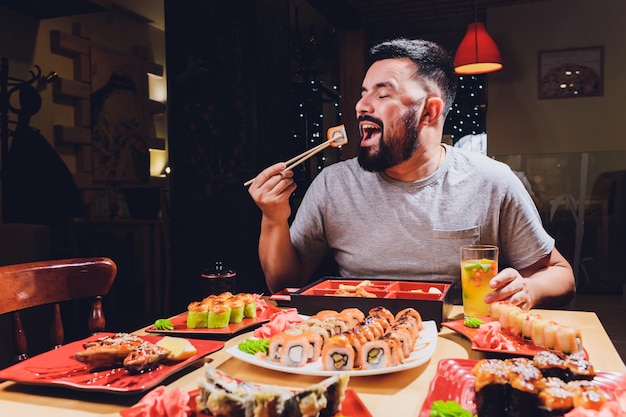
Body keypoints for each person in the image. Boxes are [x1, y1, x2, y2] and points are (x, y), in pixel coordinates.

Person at [248, 38, 575, 310]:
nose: (361, 105)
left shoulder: (492, 182)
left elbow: (560, 274)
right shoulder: (334, 184)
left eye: (382, 94)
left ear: (429, 111)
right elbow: (285, 286)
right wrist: (274, 219)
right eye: (363, 93)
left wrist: (529, 290)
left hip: (456, 338)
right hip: (356, 339)